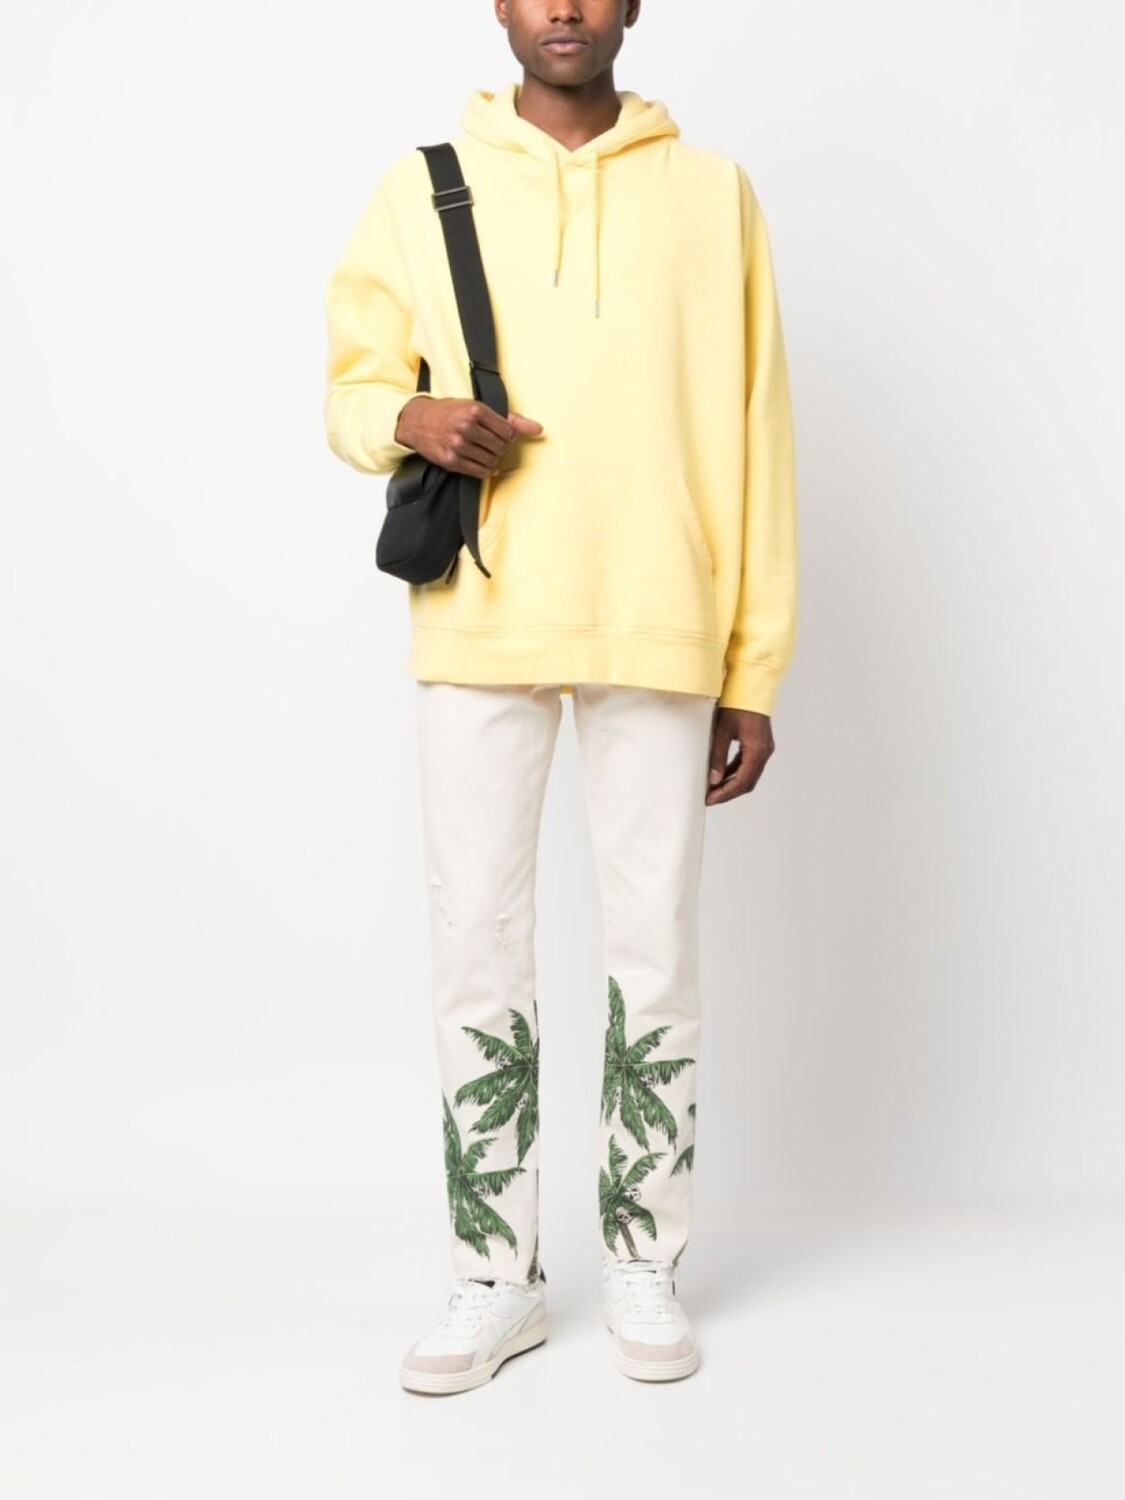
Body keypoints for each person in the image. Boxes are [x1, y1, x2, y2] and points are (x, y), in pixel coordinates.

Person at [322, 0, 798, 1394]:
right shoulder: (422, 186)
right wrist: (407, 417)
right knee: (475, 938)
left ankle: (646, 1253)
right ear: (501, 6)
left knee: (654, 946)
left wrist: (753, 667)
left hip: (661, 612)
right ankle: (496, 1273)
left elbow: (759, 430)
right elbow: (350, 388)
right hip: (482, 610)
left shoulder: (712, 193)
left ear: (634, 3)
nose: (566, 8)